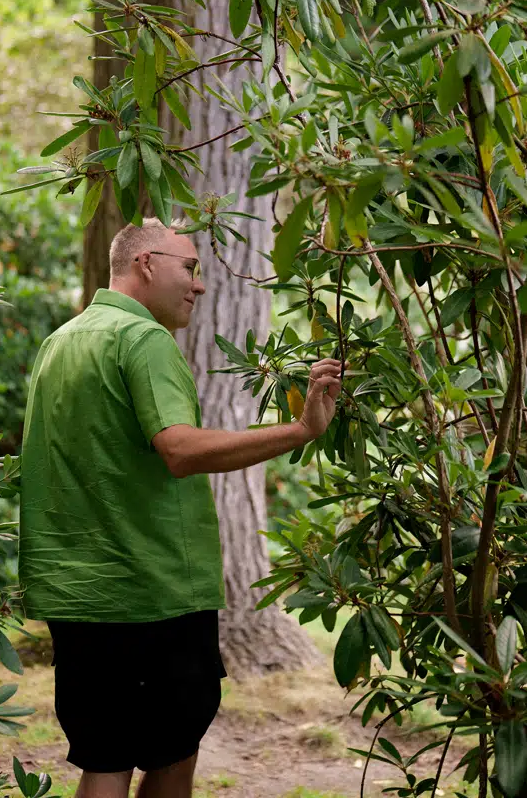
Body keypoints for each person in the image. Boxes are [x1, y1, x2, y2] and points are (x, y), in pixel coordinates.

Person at [19, 217, 343, 798]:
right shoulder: (143, 339)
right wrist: (300, 430)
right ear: (146, 263)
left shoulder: (59, 342)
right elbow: (179, 449)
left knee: (106, 757)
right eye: (189, 268)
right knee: (172, 754)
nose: (198, 285)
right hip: (153, 592)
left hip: (75, 593)